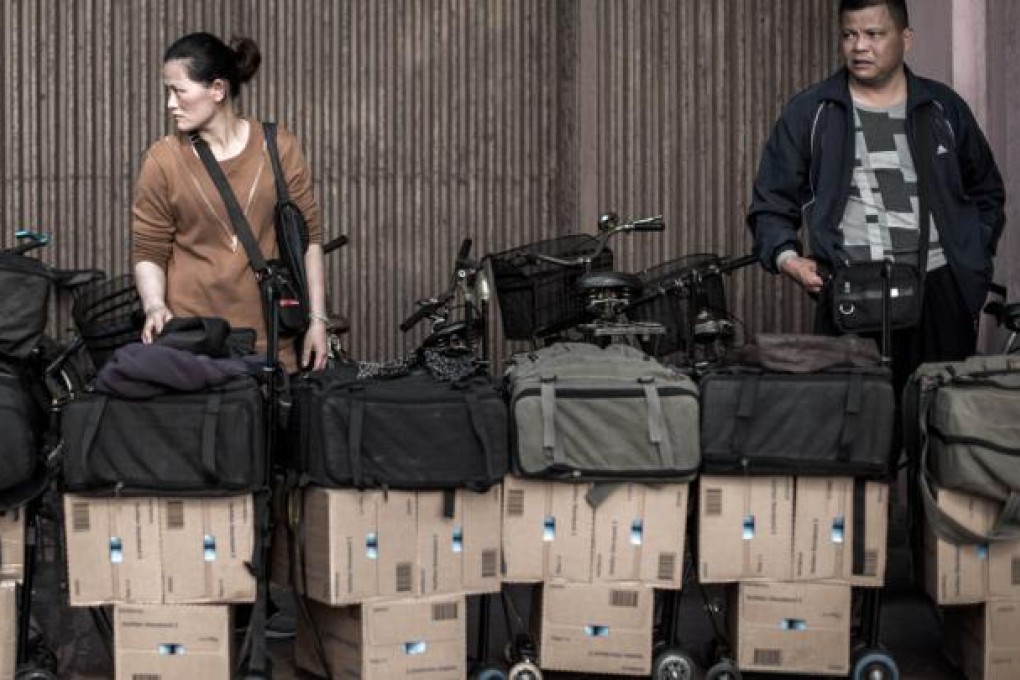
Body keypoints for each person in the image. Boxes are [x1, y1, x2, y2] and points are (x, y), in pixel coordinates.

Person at [747, 0, 1005, 389]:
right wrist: (789, 260)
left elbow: (986, 189)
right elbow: (770, 202)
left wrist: (971, 259)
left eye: (874, 34)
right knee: (859, 430)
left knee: (941, 422)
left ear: (906, 39)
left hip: (939, 289)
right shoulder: (811, 111)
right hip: (853, 288)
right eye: (849, 34)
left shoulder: (943, 108)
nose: (859, 46)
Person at [131, 32, 329, 374]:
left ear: (218, 90)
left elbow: (308, 239)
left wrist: (318, 322)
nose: (170, 104)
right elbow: (149, 250)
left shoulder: (278, 147)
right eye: (168, 91)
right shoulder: (162, 160)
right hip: (193, 345)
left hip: (271, 347)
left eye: (179, 91)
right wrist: (154, 306)